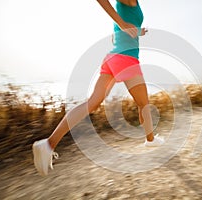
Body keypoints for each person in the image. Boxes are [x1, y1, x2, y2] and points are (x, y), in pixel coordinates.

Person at [32, 0, 164, 176]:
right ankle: (150, 140)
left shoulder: (132, 4)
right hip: (126, 60)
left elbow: (119, 32)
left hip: (112, 58)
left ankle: (48, 144)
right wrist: (123, 24)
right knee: (144, 104)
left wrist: (136, 30)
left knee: (92, 103)